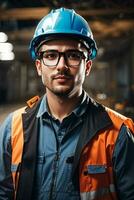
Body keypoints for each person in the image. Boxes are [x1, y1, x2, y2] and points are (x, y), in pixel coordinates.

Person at [0, 7, 134, 200]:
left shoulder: (118, 132)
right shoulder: (12, 129)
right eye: (51, 55)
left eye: (73, 55)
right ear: (39, 66)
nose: (61, 65)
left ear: (87, 66)